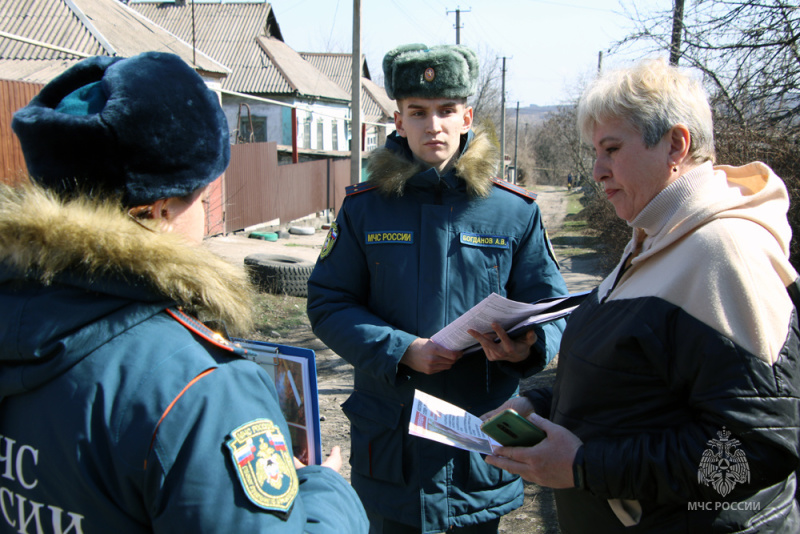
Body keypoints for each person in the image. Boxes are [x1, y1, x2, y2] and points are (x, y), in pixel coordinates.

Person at [1, 51, 368, 533]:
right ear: (156, 212)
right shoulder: (201, 388)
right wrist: (326, 492)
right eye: (203, 195)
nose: (209, 212)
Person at [484, 58, 800, 532]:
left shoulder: (723, 252)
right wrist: (538, 405)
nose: (597, 170)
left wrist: (585, 465)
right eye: (595, 152)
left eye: (611, 149)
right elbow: (638, 383)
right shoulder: (656, 237)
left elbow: (755, 447)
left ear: (676, 143)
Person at [307, 43, 568, 533]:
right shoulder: (364, 208)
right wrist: (402, 349)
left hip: (476, 448)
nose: (434, 125)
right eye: (418, 112)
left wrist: (525, 348)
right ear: (398, 120)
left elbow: (551, 308)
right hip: (391, 450)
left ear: (466, 116)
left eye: (447, 110)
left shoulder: (514, 211)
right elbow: (327, 302)